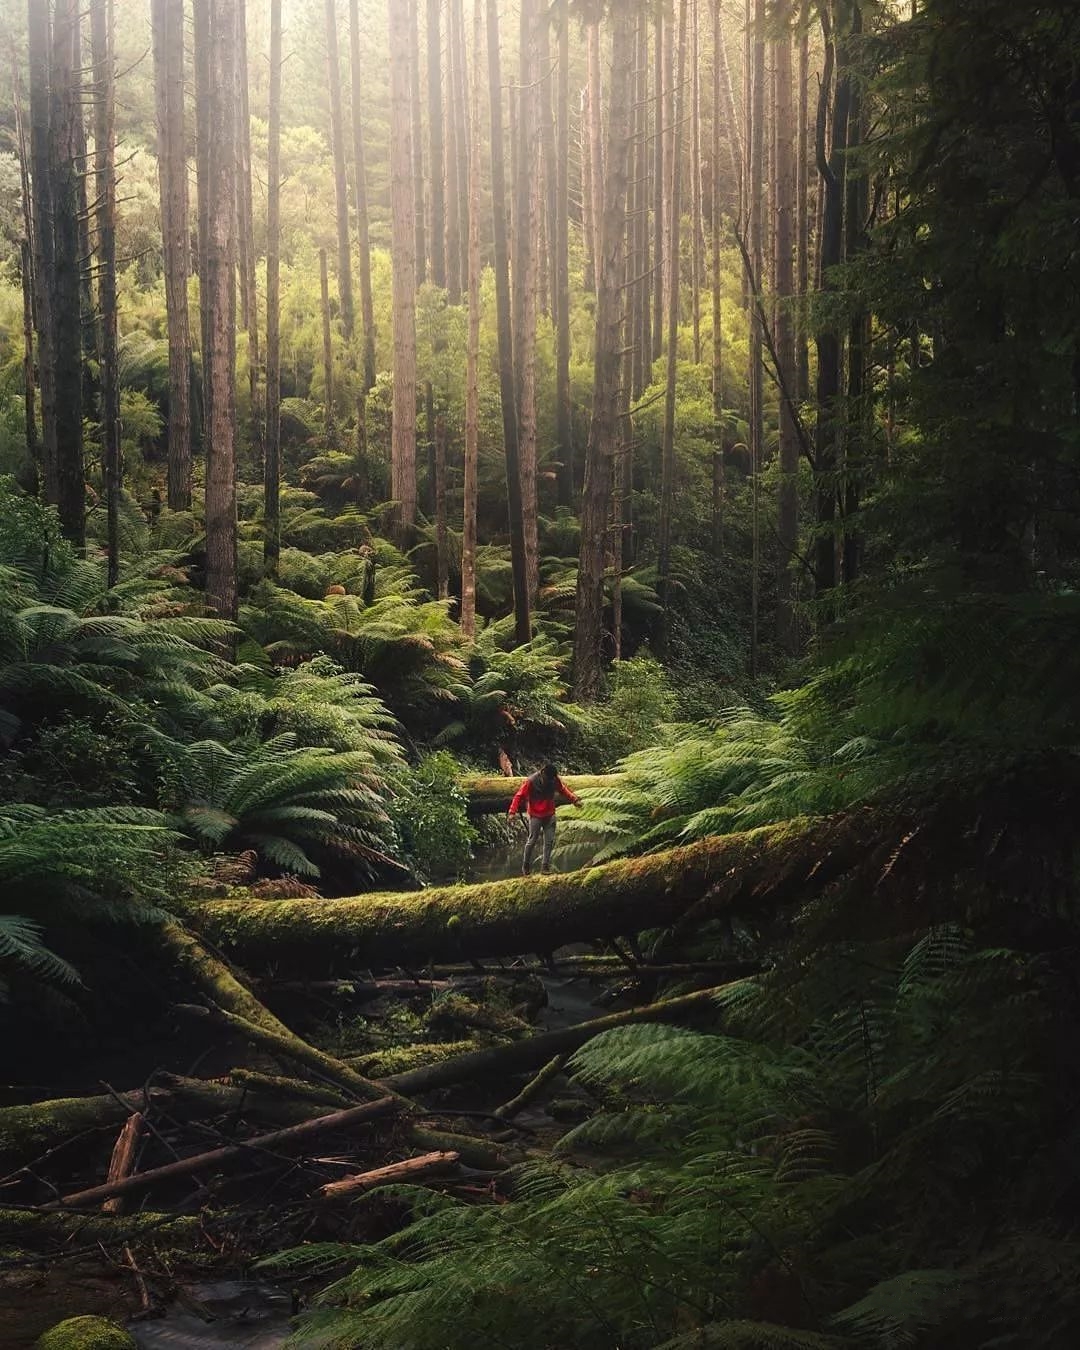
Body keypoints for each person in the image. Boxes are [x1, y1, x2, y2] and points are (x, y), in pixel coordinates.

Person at [508, 762, 582, 876]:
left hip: (550, 814)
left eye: (552, 779)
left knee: (549, 841)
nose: (550, 781)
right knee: (532, 841)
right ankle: (526, 865)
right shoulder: (531, 781)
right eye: (548, 779)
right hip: (535, 815)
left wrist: (574, 800)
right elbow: (519, 795)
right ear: (543, 773)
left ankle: (545, 867)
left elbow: (562, 789)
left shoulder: (554, 779)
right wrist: (512, 812)